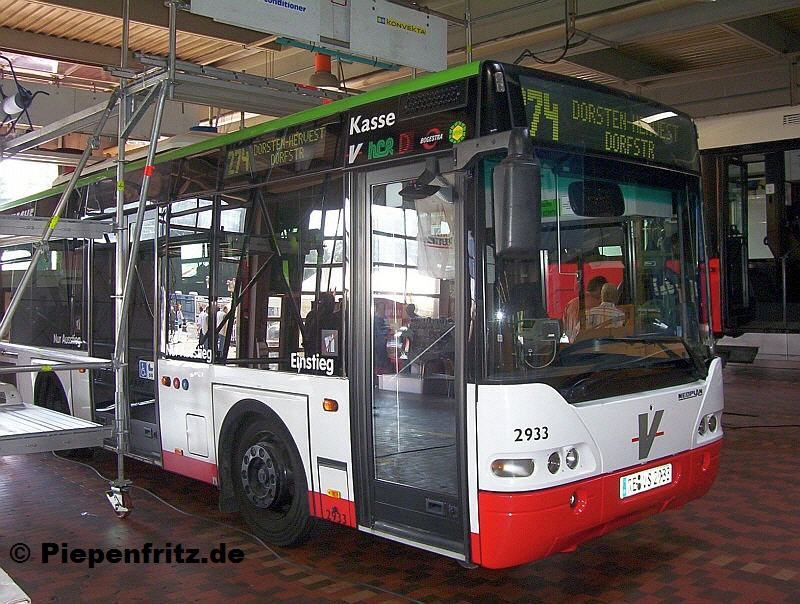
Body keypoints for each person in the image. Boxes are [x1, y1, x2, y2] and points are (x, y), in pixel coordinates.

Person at [562, 275, 607, 343]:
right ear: (600, 289)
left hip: (572, 344)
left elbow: (565, 327)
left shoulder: (570, 304)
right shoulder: (597, 304)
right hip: (589, 345)